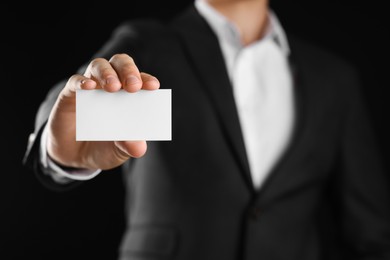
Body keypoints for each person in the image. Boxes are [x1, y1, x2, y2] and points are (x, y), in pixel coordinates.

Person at [23, 0, 390, 259]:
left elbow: (372, 234)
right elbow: (75, 89)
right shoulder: (146, 45)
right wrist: (58, 149)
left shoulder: (334, 79)